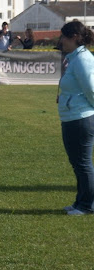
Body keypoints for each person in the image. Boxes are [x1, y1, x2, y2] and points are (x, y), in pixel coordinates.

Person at [57, 21, 94, 215]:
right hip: (73, 116)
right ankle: (81, 201)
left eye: (63, 36)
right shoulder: (74, 58)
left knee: (82, 163)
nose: (61, 40)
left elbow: (91, 89)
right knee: (78, 163)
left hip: (81, 118)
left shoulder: (82, 60)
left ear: (74, 38)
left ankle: (86, 205)